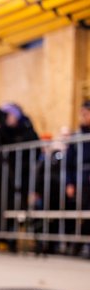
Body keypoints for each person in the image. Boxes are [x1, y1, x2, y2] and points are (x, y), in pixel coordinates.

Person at [64, 100, 90, 257]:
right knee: (83, 213)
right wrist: (69, 182)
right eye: (82, 113)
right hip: (82, 180)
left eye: (86, 113)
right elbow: (69, 163)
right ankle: (78, 244)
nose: (83, 116)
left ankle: (80, 244)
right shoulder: (77, 136)